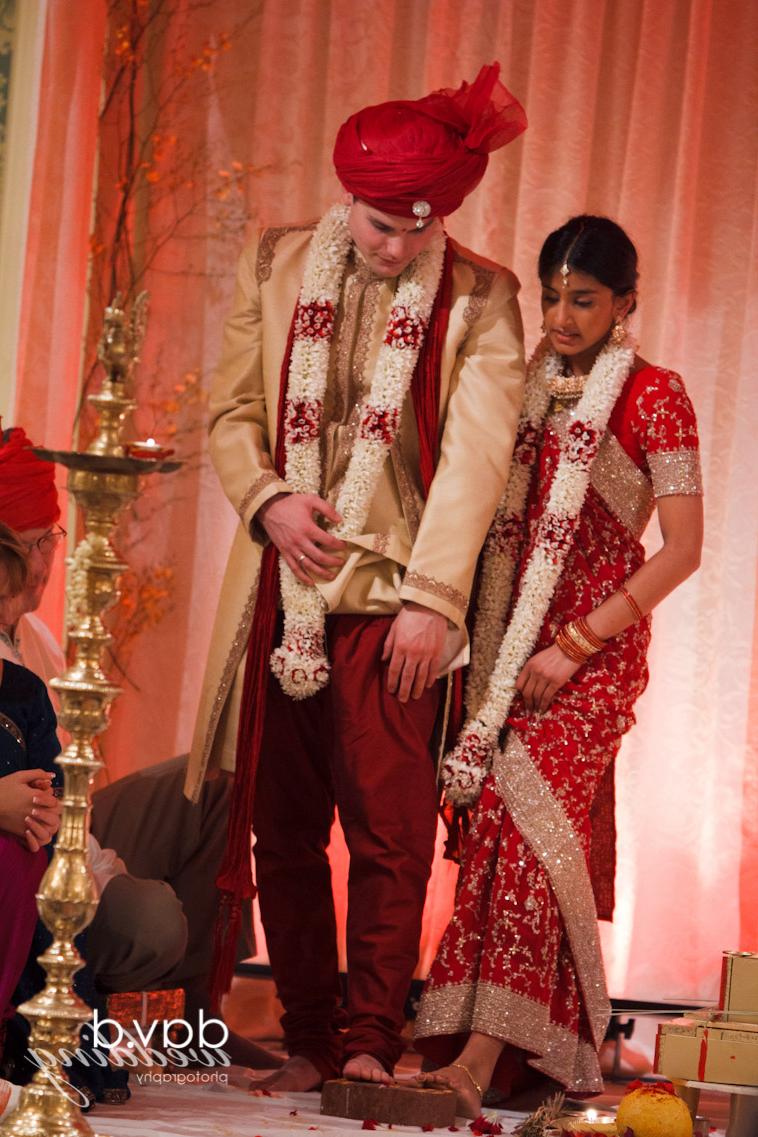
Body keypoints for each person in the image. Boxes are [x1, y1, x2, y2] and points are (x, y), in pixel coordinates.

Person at [186, 63, 527, 1090]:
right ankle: (306, 1036)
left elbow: (474, 460)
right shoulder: (278, 262)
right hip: (283, 590)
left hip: (391, 601)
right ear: (348, 201)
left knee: (388, 831)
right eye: (379, 226)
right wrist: (267, 502)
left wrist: (433, 603)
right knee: (280, 828)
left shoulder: (482, 298)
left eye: (416, 232)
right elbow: (232, 412)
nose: (395, 248)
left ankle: (372, 1040)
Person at [411, 215, 704, 1115]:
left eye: (583, 299)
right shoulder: (528, 386)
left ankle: (480, 1052)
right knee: (501, 826)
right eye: (552, 296)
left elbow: (684, 550)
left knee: (527, 821)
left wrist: (578, 644)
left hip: (595, 657)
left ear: (626, 303)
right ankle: (525, 1055)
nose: (562, 316)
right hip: (510, 649)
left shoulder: (656, 394)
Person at [0, 425, 277, 1071]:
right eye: (44, 542)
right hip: (21, 845)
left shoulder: (36, 641)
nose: (51, 560)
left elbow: (68, 781)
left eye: (54, 540)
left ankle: (198, 1017)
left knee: (210, 784)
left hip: (66, 828)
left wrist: (97, 861)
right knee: (150, 918)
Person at [0, 523, 62, 1120]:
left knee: (34, 867)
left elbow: (51, 773)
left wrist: (46, 809)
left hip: (23, 851)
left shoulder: (23, 689)